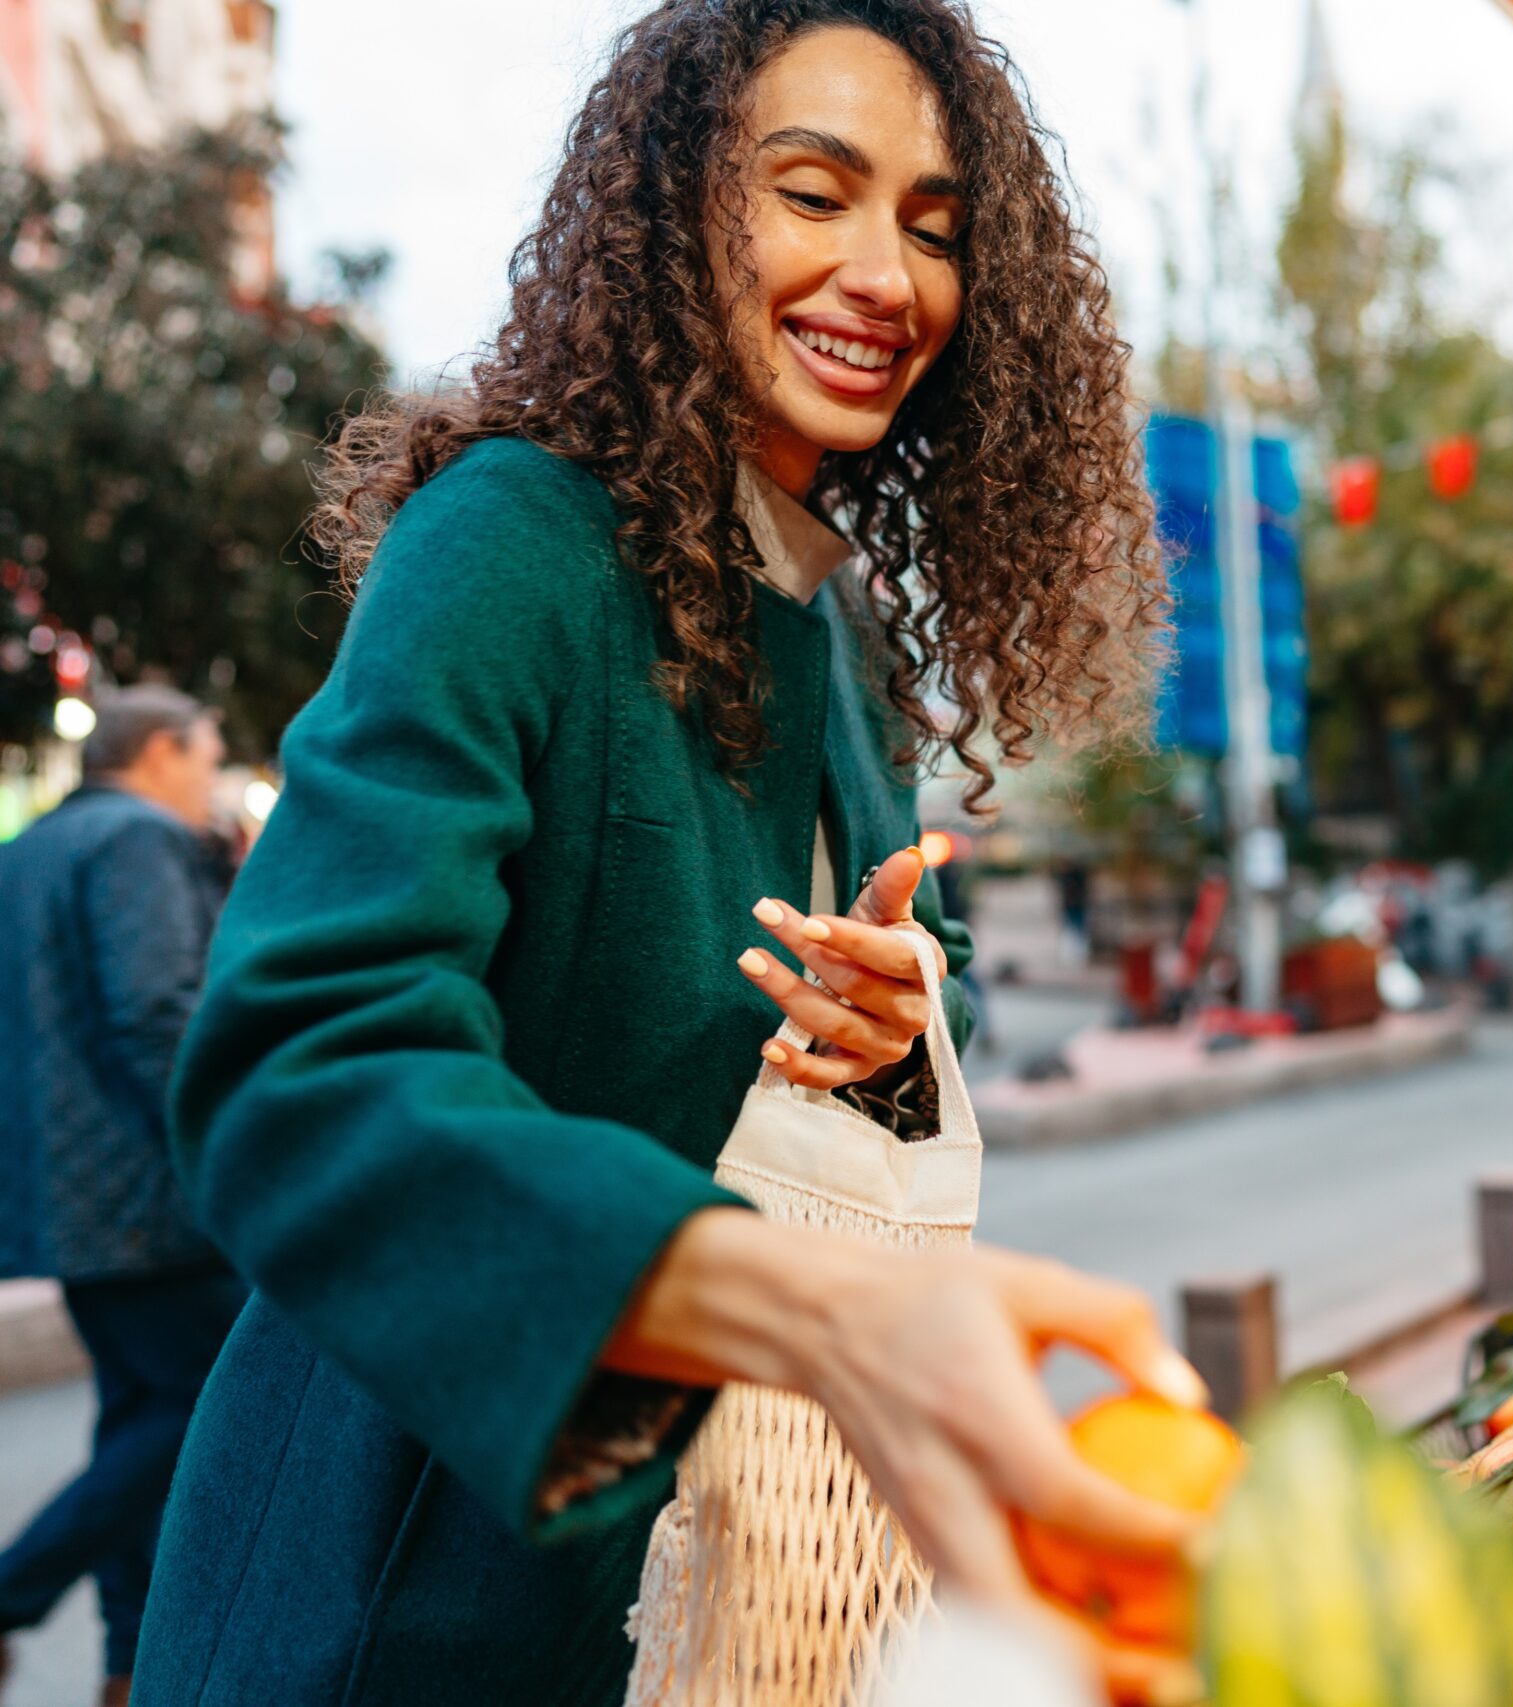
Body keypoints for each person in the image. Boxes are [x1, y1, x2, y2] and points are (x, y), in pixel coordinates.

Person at [133, 5, 1184, 1704]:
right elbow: (296, 1061)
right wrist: (801, 1309)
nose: (885, 275)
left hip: (714, 1591)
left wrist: (906, 1012)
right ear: (678, 211)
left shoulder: (840, 630)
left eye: (933, 225)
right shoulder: (510, 542)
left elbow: (905, 966)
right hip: (405, 1573)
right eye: (812, 192)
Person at [0, 687, 247, 1706]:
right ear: (156, 751)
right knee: (198, 1408)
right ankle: (17, 1594)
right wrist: (233, 1146)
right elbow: (157, 1014)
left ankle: (128, 1661)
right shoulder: (139, 841)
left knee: (135, 1425)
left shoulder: (33, 850)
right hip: (152, 1197)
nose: (212, 779)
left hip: (65, 1197)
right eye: (207, 757)